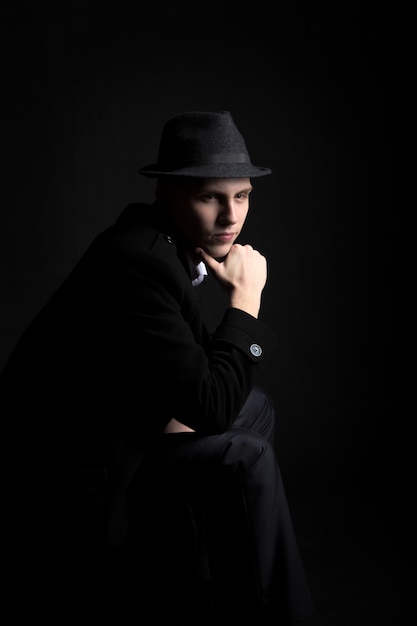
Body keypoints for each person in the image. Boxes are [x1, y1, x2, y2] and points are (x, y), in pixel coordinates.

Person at [1, 111, 316, 624]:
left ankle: (213, 578)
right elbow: (210, 406)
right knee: (247, 452)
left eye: (241, 196)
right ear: (166, 194)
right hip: (77, 477)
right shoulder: (138, 260)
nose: (231, 217)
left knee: (254, 407)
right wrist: (246, 302)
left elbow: (193, 380)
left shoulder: (163, 246)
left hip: (117, 427)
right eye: (210, 196)